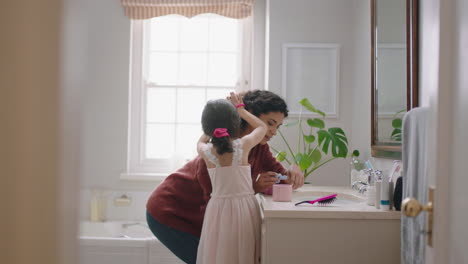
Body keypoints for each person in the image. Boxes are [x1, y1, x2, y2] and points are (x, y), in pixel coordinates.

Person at [146, 90, 304, 264]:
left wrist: (294, 169)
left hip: (208, 214)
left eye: (277, 127)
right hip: (169, 211)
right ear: (250, 116)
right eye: (270, 123)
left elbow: (281, 177)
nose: (273, 131)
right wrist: (254, 188)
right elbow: (218, 200)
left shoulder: (259, 147)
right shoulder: (217, 151)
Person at [196, 93, 266, 263]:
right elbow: (262, 127)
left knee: (219, 253)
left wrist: (210, 129)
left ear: (206, 126)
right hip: (243, 207)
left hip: (217, 209)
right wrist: (240, 110)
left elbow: (201, 139)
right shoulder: (243, 145)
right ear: (235, 123)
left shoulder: (204, 150)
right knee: (243, 252)